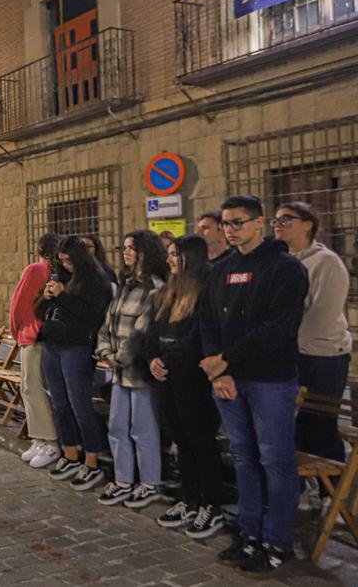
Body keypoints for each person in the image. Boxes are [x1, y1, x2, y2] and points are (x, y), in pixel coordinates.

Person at [201, 195, 307, 574]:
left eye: (238, 223)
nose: (230, 230)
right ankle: (249, 534)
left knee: (275, 461)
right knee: (244, 458)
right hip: (229, 380)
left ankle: (277, 542)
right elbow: (207, 319)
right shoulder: (222, 269)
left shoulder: (285, 268)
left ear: (259, 223)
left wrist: (226, 360)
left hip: (270, 381)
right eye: (226, 223)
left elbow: (278, 328)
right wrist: (220, 370)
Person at [146, 235, 228, 538]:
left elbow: (202, 334)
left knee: (201, 442)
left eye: (174, 254)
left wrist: (177, 358)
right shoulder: (167, 291)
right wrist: (153, 356)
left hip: (194, 379)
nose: (169, 260)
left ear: (190, 258)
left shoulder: (206, 290)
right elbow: (153, 329)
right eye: (169, 254)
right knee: (181, 439)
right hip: (168, 378)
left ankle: (212, 504)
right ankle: (189, 499)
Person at [271, 203, 352, 470]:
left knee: (319, 426)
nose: (278, 224)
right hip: (288, 352)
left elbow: (322, 313)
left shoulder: (326, 261)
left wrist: (286, 348)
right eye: (276, 220)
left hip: (322, 356)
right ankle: (303, 489)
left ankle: (335, 497)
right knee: (291, 426)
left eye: (286, 219)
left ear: (308, 224)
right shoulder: (278, 261)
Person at [95, 230, 168, 508]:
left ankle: (149, 483)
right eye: (124, 247)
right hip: (118, 370)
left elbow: (142, 331)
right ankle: (123, 479)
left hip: (138, 370)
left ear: (145, 252)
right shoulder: (125, 285)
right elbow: (107, 323)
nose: (125, 253)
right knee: (117, 426)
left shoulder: (155, 288)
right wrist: (106, 352)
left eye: (131, 248)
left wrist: (118, 358)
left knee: (143, 428)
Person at [37, 235, 114, 491]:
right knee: (59, 403)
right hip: (52, 344)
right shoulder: (61, 278)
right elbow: (37, 311)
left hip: (76, 347)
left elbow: (92, 316)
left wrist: (62, 297)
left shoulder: (96, 280)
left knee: (79, 404)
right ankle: (71, 453)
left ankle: (92, 459)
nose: (66, 265)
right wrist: (48, 296)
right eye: (62, 261)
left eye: (69, 261)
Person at [10, 232, 61, 469]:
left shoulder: (35, 269)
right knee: (31, 388)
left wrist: (17, 331)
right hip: (44, 334)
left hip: (32, 334)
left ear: (39, 249)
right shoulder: (56, 272)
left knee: (31, 387)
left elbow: (19, 304)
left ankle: (48, 441)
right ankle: (39, 438)